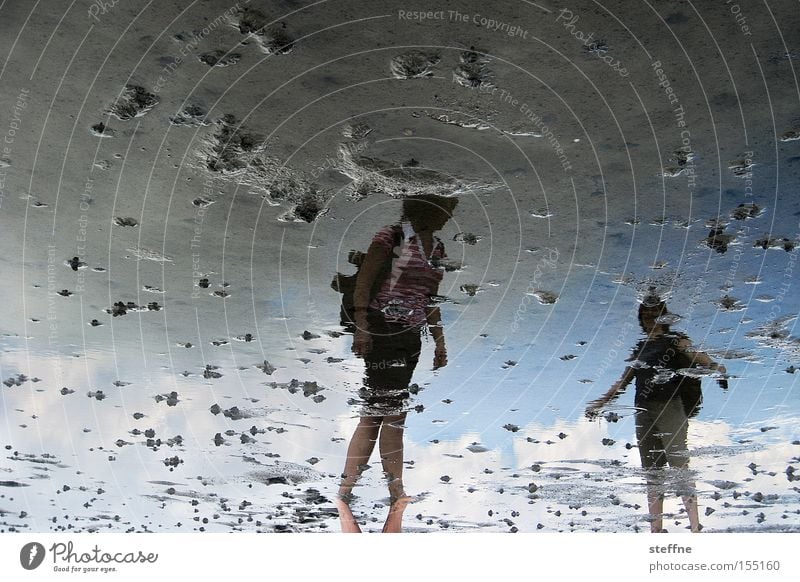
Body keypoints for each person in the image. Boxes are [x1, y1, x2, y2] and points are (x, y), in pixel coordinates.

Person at [334, 194, 457, 533]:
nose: (450, 216)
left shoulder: (438, 249)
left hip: (411, 335)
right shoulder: (392, 235)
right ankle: (391, 492)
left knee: (378, 412)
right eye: (447, 209)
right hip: (382, 329)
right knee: (389, 413)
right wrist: (361, 326)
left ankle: (350, 492)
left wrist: (439, 340)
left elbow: (429, 298)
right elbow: (366, 279)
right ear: (427, 209)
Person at [586, 294, 727, 533]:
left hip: (670, 407)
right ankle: (656, 529)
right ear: (641, 318)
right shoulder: (640, 348)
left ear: (665, 316)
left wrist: (718, 369)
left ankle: (695, 526)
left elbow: (699, 357)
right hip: (643, 411)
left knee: (679, 464)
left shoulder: (676, 340)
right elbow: (623, 382)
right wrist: (600, 403)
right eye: (646, 315)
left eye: (655, 314)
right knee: (651, 469)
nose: (650, 318)